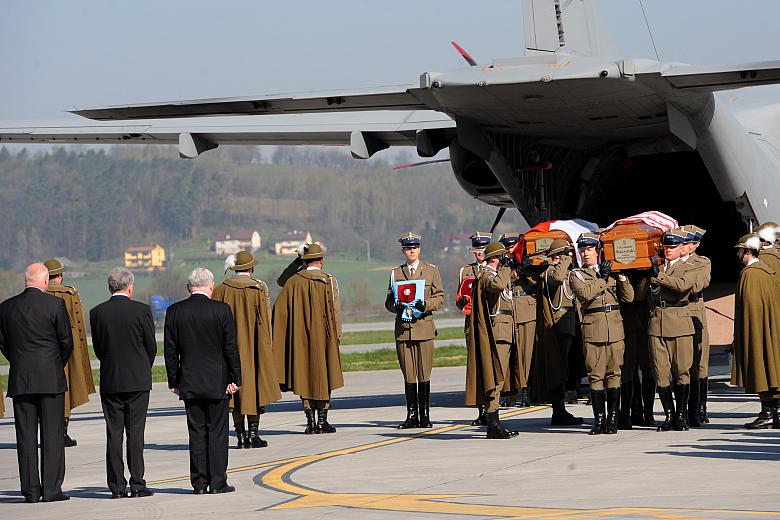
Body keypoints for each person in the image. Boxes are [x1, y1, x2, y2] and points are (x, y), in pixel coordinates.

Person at [0, 263, 73, 503]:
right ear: (43, 281)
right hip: (50, 378)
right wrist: (54, 364)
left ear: (25, 280)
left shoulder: (7, 307)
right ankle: (51, 490)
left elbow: (3, 344)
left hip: (21, 378)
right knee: (52, 435)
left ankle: (30, 490)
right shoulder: (55, 304)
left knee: (26, 436)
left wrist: (20, 362)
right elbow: (66, 343)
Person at [164, 268, 241, 494]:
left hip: (190, 381)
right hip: (218, 382)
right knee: (218, 433)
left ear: (189, 287)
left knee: (196, 433)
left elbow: (170, 351)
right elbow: (231, 349)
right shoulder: (222, 310)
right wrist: (235, 378)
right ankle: (218, 482)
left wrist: (174, 380)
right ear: (211, 285)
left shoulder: (174, 311)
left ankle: (198, 483)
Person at [89, 267, 156, 499]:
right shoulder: (142, 310)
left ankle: (117, 486)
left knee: (114, 434)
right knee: (136, 433)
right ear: (130, 287)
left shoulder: (97, 313)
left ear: (110, 287)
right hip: (137, 379)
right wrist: (141, 367)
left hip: (111, 378)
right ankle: (137, 482)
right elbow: (151, 347)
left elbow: (99, 348)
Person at [273, 244, 344, 434]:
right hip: (325, 335)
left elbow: (281, 283)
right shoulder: (328, 280)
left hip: (300, 335)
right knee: (324, 375)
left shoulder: (293, 281)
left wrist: (298, 261)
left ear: (303, 262)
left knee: (304, 374)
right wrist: (337, 335)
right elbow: (335, 310)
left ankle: (310, 421)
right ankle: (323, 419)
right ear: (321, 261)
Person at [213, 251, 281, 449]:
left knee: (234, 390)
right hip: (254, 346)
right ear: (250, 268)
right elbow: (266, 321)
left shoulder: (220, 290)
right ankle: (253, 433)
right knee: (254, 388)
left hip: (227, 348)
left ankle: (240, 435)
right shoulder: (258, 288)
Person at [569, 233, 634, 434]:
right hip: (593, 330)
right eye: (582, 250)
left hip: (614, 330)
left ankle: (613, 420)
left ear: (598, 251)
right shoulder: (577, 275)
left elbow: (629, 297)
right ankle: (599, 420)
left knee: (615, 374)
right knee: (596, 376)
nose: (585, 253)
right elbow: (586, 294)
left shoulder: (611, 272)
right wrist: (603, 279)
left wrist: (621, 276)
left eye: (589, 249)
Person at [384, 233, 444, 429]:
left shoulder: (431, 271)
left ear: (419, 249)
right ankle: (412, 415)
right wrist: (397, 306)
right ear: (403, 251)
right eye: (408, 248)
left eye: (415, 247)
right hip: (403, 329)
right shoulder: (396, 273)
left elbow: (440, 299)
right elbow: (388, 301)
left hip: (424, 327)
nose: (411, 251)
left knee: (424, 373)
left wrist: (425, 304)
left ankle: (425, 415)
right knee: (408, 373)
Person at [464, 242, 520, 439]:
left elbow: (512, 278)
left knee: (499, 377)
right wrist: (505, 268)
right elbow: (497, 285)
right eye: (502, 257)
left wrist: (518, 267)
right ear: (495, 258)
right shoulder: (487, 275)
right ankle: (493, 422)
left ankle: (495, 421)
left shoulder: (498, 273)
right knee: (494, 377)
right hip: (498, 333)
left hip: (505, 331)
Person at [648, 228, 698, 432]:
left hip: (679, 323)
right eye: (666, 246)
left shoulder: (689, 267)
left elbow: (682, 286)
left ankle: (681, 415)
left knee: (682, 371)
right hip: (657, 324)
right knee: (660, 373)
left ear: (682, 249)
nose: (668, 250)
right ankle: (668, 415)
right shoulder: (658, 267)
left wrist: (658, 276)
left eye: (673, 246)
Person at [530, 238, 583, 426]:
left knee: (568, 368)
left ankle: (561, 408)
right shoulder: (550, 272)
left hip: (570, 324)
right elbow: (557, 279)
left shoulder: (568, 272)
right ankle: (558, 410)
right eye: (566, 254)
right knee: (558, 368)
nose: (570, 257)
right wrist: (565, 260)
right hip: (559, 326)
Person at [44, 258, 96, 447]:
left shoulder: (38, 293)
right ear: (60, 275)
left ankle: (48, 432)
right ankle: (62, 433)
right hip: (67, 349)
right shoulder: (68, 294)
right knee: (67, 392)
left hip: (44, 350)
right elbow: (79, 326)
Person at [731, 233, 780, 429]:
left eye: (740, 250)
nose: (738, 254)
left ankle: (768, 412)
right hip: (768, 329)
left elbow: (750, 309)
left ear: (748, 251)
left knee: (761, 367)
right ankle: (773, 412)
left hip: (757, 331)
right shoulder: (765, 271)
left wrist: (747, 334)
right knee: (771, 367)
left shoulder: (751, 274)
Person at [456, 231, 490, 424]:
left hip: (490, 323)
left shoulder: (496, 268)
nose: (480, 254)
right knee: (475, 367)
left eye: (483, 250)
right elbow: (459, 296)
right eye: (477, 250)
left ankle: (492, 408)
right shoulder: (465, 271)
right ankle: (481, 411)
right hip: (471, 323)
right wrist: (461, 302)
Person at [681, 225, 712, 427]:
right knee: (683, 365)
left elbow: (697, 285)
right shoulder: (670, 263)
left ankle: (700, 407)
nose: (686, 246)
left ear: (696, 244)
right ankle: (684, 409)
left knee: (700, 364)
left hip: (695, 314)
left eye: (689, 243)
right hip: (677, 316)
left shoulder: (702, 262)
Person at [617, 270, 653, 428]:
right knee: (627, 370)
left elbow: (639, 294)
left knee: (647, 369)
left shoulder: (646, 274)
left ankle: (648, 413)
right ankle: (627, 413)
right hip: (625, 322)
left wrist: (646, 272)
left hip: (644, 322)